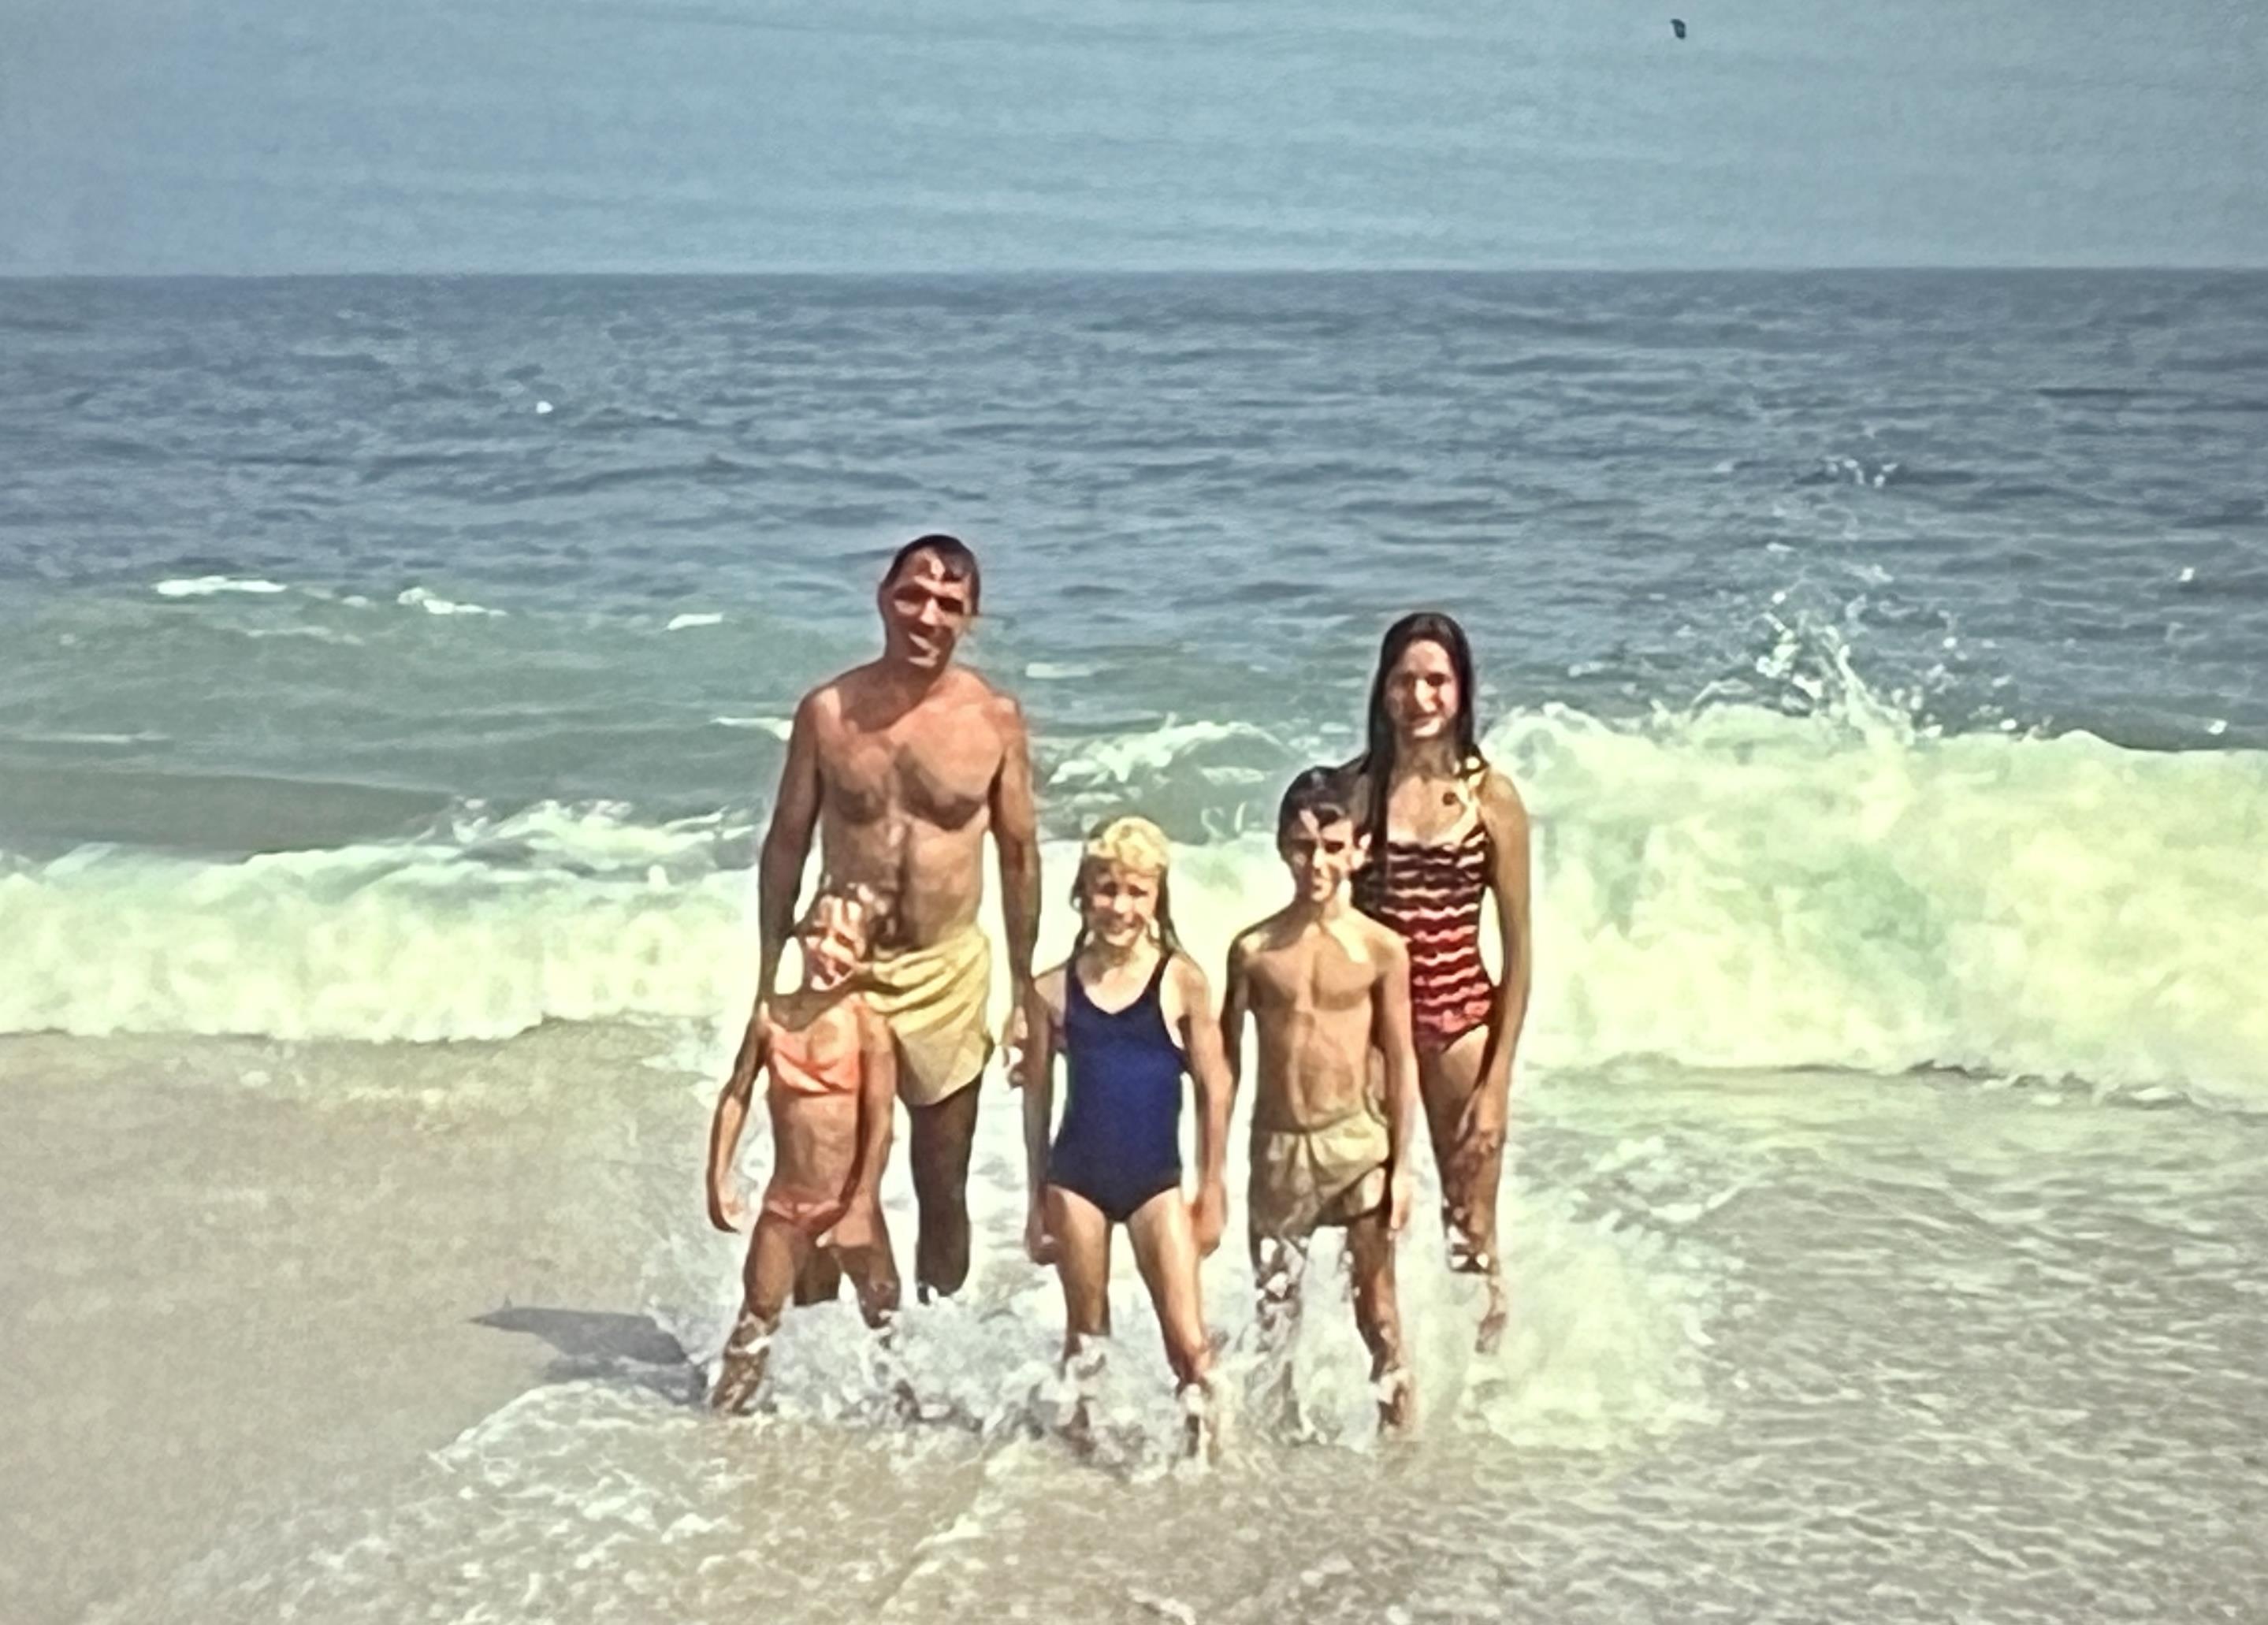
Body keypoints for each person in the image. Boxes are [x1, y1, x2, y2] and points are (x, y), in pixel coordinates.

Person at [750, 534, 1042, 1303]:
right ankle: (818, 1369)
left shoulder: (995, 720)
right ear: (883, 597)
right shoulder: (830, 712)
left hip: (946, 973)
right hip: (839, 971)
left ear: (970, 616)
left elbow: (1019, 857)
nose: (927, 615)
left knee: (941, 1180)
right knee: (822, 1176)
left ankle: (930, 1352)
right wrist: (766, 978)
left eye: (949, 603)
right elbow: (785, 842)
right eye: (912, 594)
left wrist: (1023, 989)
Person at [1342, 611, 1534, 1352]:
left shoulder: (1492, 800)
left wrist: (1497, 1085)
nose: (1419, 697)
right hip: (1371, 1031)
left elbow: (1520, 952)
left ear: (1461, 692)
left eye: (1436, 681)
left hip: (1461, 1022)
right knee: (1368, 1215)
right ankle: (1385, 1375)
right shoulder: (1357, 792)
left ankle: (1486, 1390)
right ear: (1383, 689)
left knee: (1472, 1224)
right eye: (1404, 680)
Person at [1021, 816, 1233, 1452]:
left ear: (1157, 898)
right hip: (1076, 1179)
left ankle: (1210, 1464)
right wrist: (1036, 1200)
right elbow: (1037, 1098)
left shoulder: (1181, 979)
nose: (1121, 906)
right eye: (1107, 889)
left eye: (1137, 892)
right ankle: (1081, 1469)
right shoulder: (1051, 988)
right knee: (1087, 1337)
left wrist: (1213, 1187)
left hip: (1157, 1184)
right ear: (1083, 895)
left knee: (1190, 1346)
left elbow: (1214, 1089)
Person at [1221, 768, 1424, 1430]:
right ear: (1283, 847)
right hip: (1279, 1146)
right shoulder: (1254, 951)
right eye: (1304, 846)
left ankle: (1402, 1443)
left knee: (1377, 1305)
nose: (1318, 862)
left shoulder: (1381, 949)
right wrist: (1212, 1171)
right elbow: (1224, 1062)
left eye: (1334, 847)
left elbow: (1400, 1058)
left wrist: (1403, 1168)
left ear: (1359, 852)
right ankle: (1280, 1447)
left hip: (1356, 1142)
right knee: (1277, 1309)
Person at [707, 883, 898, 1413]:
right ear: (799, 935)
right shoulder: (771, 1018)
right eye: (818, 933)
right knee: (756, 1319)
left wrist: (861, 1205)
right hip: (787, 1207)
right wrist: (717, 1180)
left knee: (886, 1323)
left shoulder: (869, 1026)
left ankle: (913, 1445)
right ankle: (714, 1437)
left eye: (844, 941)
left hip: (849, 1203)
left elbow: (883, 1122)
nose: (828, 950)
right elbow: (735, 1095)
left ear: (862, 956)